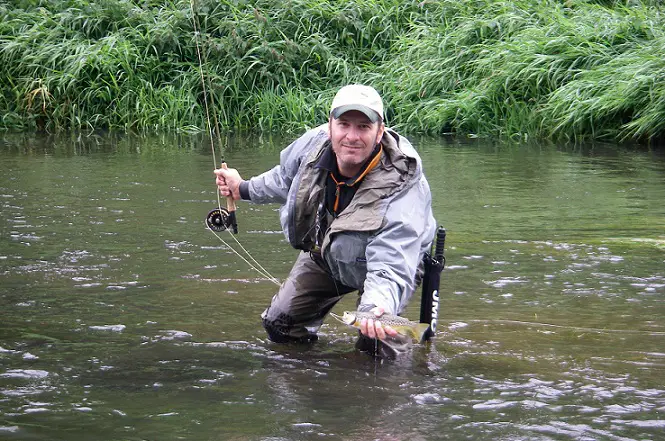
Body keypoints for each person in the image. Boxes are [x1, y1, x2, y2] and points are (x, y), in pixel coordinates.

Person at [214, 84, 436, 357]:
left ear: (380, 132)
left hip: (388, 268)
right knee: (279, 324)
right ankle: (307, 378)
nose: (351, 136)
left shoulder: (403, 183)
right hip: (329, 252)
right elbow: (285, 178)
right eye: (343, 124)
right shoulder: (313, 144)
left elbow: (393, 261)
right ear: (329, 125)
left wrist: (375, 307)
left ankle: (396, 380)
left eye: (363, 127)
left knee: (378, 345)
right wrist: (243, 189)